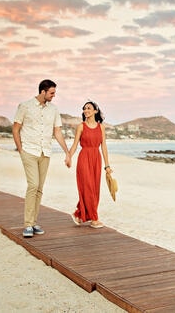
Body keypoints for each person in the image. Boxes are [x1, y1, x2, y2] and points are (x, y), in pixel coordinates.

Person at [12, 79, 71, 238]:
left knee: (39, 189)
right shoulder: (25, 106)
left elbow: (57, 132)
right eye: (51, 93)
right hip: (29, 151)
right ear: (43, 92)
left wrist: (67, 152)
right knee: (33, 185)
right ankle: (27, 224)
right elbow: (16, 129)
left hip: (45, 153)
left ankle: (33, 222)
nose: (53, 96)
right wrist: (20, 149)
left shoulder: (54, 109)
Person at [68, 101, 113, 229]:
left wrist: (107, 166)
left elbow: (103, 146)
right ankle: (94, 219)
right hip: (84, 158)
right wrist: (69, 157)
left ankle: (78, 214)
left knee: (94, 189)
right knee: (87, 187)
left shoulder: (101, 127)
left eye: (89, 108)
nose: (86, 110)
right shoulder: (81, 126)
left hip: (96, 158)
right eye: (84, 109)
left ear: (95, 111)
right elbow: (75, 144)